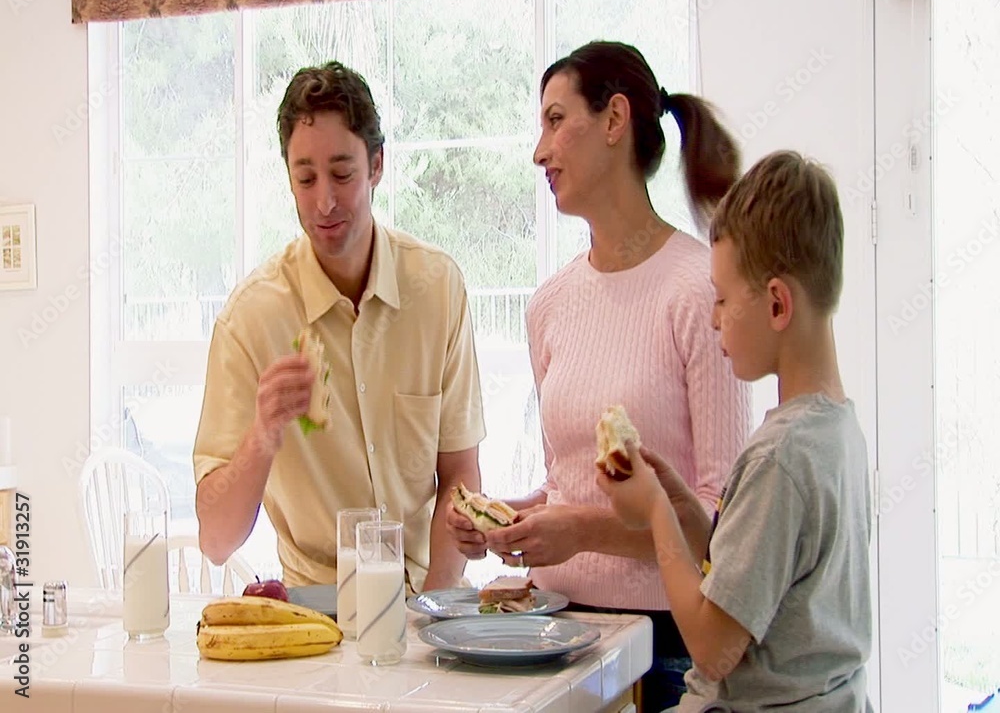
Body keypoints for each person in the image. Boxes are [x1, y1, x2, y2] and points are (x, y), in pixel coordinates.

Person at [446, 40, 753, 710]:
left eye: (556, 120)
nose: (538, 150)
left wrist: (581, 531)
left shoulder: (701, 289)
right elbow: (569, 484)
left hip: (672, 651)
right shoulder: (549, 305)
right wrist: (508, 519)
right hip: (562, 635)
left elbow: (724, 519)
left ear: (614, 120)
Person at [192, 60, 487, 594]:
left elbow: (460, 474)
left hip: (429, 599)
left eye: (342, 174)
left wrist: (435, 609)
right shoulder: (250, 320)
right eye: (305, 178)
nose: (324, 201)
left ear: (377, 165)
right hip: (316, 616)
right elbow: (215, 541)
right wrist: (263, 434)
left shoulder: (437, 288)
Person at [598, 150, 874, 712]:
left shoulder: (781, 457)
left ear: (776, 304)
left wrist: (654, 515)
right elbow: (750, 581)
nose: (715, 317)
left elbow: (712, 646)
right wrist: (680, 506)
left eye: (722, 299)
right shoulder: (835, 429)